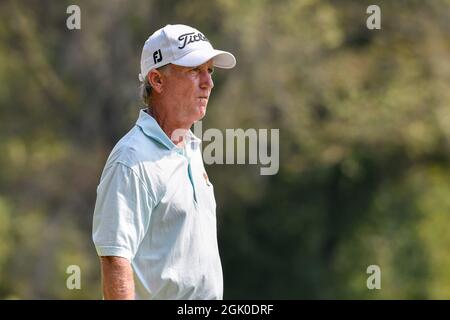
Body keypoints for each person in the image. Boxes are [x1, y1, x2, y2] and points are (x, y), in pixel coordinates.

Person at [92, 24, 236, 300]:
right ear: (157, 80)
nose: (208, 82)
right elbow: (115, 259)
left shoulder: (190, 147)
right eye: (195, 70)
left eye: (210, 71)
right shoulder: (131, 160)